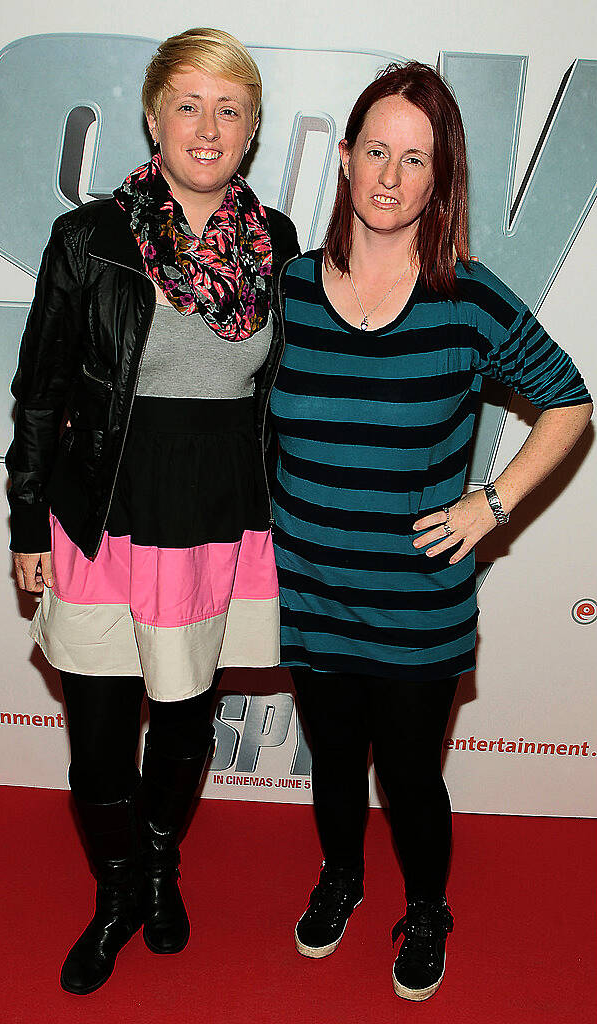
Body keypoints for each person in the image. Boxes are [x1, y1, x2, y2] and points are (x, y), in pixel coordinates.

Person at [270, 62, 592, 1002]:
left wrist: (491, 505)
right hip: (314, 590)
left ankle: (426, 908)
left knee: (410, 778)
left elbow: (570, 401)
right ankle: (342, 879)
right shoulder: (286, 292)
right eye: (376, 150)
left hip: (417, 602)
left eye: (416, 159)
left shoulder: (470, 298)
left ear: (439, 178)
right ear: (344, 156)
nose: (389, 175)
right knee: (333, 762)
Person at [6, 27, 298, 995]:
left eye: (230, 108)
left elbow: (285, 396)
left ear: (252, 128)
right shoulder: (89, 239)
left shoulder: (278, 244)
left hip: (215, 522)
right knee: (97, 738)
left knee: (182, 723)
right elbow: (41, 393)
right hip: (102, 519)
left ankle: (162, 863)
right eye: (189, 104)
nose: (207, 127)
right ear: (152, 115)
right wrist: (23, 525)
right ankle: (119, 891)